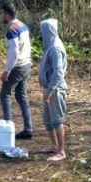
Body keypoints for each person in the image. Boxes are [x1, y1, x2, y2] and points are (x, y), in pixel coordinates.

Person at [0, 3, 34, 139]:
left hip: (17, 67)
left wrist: (7, 71)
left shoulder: (11, 30)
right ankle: (28, 128)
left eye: (2, 14)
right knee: (22, 97)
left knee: (5, 95)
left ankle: (7, 129)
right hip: (26, 65)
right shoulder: (22, 25)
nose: (1, 16)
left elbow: (14, 53)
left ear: (7, 15)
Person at [38, 18, 68, 162]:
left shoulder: (55, 48)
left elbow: (58, 72)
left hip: (55, 90)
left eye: (42, 31)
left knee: (57, 121)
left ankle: (61, 152)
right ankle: (54, 146)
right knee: (48, 119)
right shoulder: (50, 45)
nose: (40, 34)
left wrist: (50, 89)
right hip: (49, 88)